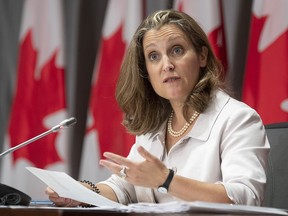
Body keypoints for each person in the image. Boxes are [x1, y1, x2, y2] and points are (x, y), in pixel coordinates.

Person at [46, 9, 270, 206]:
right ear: (146, 71)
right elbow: (124, 188)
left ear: (202, 56)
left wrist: (167, 180)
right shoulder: (155, 125)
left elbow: (245, 196)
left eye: (177, 50)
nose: (167, 65)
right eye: (154, 56)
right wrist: (79, 193)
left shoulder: (238, 119)